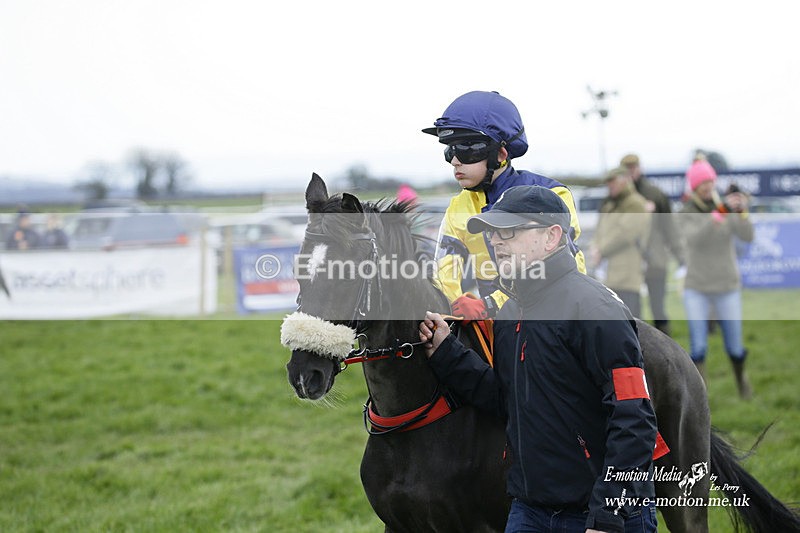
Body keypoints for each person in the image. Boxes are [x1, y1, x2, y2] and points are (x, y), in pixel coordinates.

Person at [419, 185, 658, 533]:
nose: (496, 241)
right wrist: (447, 353)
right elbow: (508, 400)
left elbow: (635, 419)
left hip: (600, 514)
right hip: (529, 510)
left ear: (552, 236)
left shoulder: (596, 310)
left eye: (509, 231)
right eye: (491, 233)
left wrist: (609, 514)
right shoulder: (510, 311)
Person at [422, 90, 585, 320]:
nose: (455, 161)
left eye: (466, 149)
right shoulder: (457, 208)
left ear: (500, 153)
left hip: (560, 312)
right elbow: (444, 272)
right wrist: (450, 309)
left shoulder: (552, 195)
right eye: (450, 150)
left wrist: (490, 303)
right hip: (499, 319)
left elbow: (559, 267)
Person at [679, 159, 754, 398]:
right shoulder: (687, 211)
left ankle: (743, 385)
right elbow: (695, 240)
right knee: (698, 347)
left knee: (735, 346)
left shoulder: (725, 205)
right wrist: (718, 215)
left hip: (727, 285)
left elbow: (747, 236)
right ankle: (701, 397)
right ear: (694, 186)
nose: (707, 186)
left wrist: (742, 212)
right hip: (697, 286)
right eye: (702, 182)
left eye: (710, 181)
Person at [621, 154, 685, 335]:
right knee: (632, 311)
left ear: (639, 168)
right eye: (627, 169)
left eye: (633, 167)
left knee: (658, 309)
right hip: (628, 262)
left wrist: (680, 256)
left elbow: (669, 227)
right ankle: (637, 353)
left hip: (655, 260)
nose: (631, 172)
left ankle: (668, 353)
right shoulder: (618, 198)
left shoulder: (655, 194)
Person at [588, 166, 651, 318]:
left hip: (626, 274)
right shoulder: (610, 204)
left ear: (625, 181)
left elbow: (626, 233)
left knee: (630, 319)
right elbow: (599, 230)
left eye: (612, 181)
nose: (609, 186)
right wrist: (594, 248)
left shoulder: (636, 204)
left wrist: (600, 250)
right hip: (608, 273)